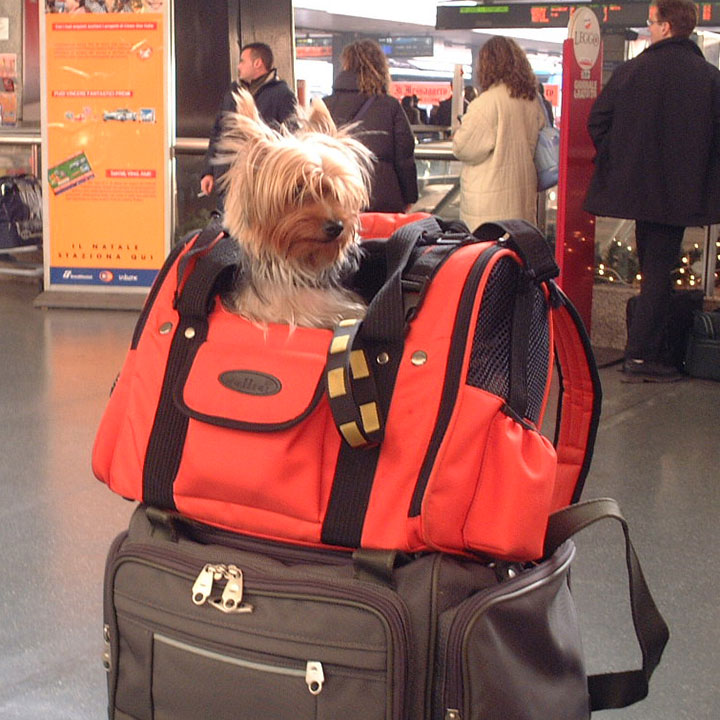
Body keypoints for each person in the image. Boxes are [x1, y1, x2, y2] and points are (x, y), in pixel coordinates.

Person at [584, 0, 720, 383]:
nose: (648, 26)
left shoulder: (631, 72)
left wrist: (622, 159)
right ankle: (644, 354)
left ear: (664, 27)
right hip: (684, 193)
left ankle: (641, 353)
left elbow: (598, 121)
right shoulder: (709, 78)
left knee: (653, 267)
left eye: (650, 21)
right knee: (660, 269)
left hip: (639, 190)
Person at [452, 36, 545, 231]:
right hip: (522, 200)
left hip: (489, 206)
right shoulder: (531, 101)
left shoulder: (486, 103)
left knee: (488, 259)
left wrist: (459, 133)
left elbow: (463, 149)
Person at [323, 39, 418, 213]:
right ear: (380, 69)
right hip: (384, 199)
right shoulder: (390, 106)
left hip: (340, 198)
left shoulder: (324, 106)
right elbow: (404, 158)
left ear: (346, 65)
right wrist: (409, 197)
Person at [201, 42, 296, 203]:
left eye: (242, 61)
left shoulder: (282, 95)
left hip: (260, 181)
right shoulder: (233, 92)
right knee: (227, 225)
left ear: (257, 63)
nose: (239, 67)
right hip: (228, 179)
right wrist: (208, 171)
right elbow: (218, 132)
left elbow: (291, 137)